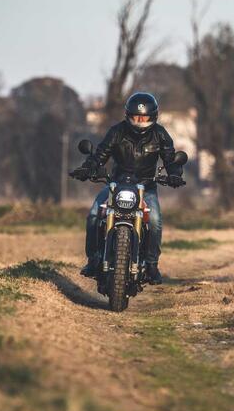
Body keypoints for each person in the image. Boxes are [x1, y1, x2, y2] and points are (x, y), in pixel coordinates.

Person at [72, 92, 184, 284]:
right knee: (93, 215)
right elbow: (100, 154)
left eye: (144, 117)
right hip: (116, 185)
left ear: (153, 117)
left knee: (155, 220)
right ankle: (93, 260)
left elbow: (170, 158)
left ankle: (151, 265)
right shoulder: (117, 131)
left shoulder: (160, 134)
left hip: (146, 188)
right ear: (128, 115)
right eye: (136, 116)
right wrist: (88, 168)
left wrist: (174, 174)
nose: (140, 121)